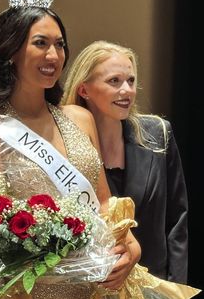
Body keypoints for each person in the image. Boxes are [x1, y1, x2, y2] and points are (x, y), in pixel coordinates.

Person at [0, 0, 141, 299]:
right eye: (40, 43)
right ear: (10, 51)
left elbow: (103, 201)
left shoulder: (80, 118)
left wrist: (129, 245)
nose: (54, 55)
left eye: (60, 44)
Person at [62, 40, 188, 283]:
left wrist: (176, 296)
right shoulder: (63, 145)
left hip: (155, 291)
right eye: (114, 81)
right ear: (84, 90)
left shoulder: (159, 133)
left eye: (130, 80)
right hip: (92, 294)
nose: (127, 90)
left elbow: (177, 221)